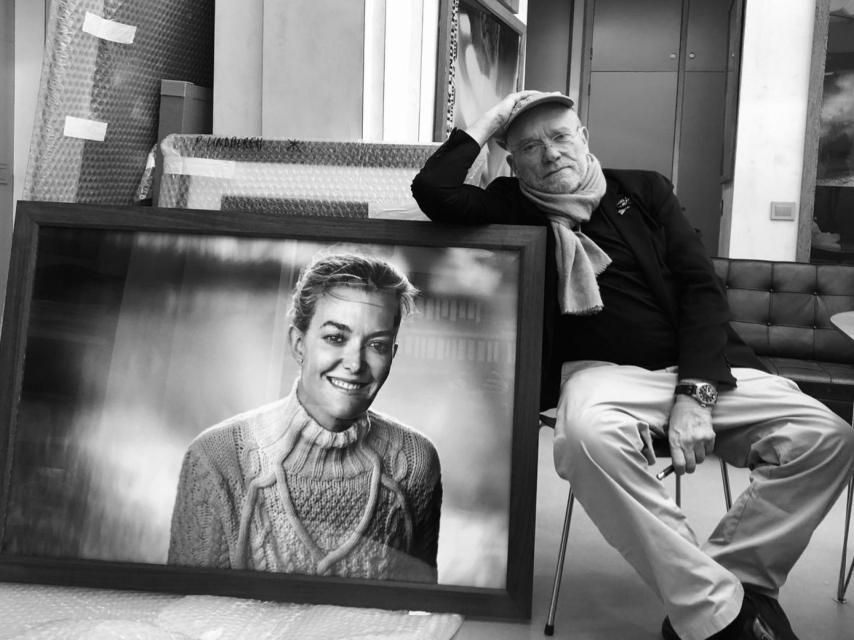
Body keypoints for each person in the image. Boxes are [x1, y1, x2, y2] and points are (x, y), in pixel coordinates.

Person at [411, 90, 854, 639]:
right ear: (510, 158)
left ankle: (731, 587)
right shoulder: (508, 203)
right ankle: (725, 618)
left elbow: (700, 290)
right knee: (586, 438)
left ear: (584, 138)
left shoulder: (642, 190)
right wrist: (488, 121)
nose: (550, 154)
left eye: (560, 137)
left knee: (827, 434)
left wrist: (695, 394)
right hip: (599, 378)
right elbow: (434, 190)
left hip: (696, 370)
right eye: (528, 145)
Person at [168, 252, 442, 583]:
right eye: (336, 338)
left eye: (377, 345)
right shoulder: (216, 459)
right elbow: (186, 616)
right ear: (298, 344)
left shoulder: (414, 462)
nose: (355, 363)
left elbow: (418, 617)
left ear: (392, 355)